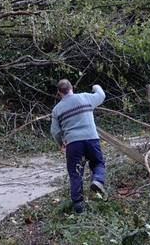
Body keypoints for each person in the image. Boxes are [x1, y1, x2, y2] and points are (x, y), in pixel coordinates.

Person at [50, 79, 107, 214]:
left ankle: (78, 206)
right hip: (92, 139)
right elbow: (102, 96)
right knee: (98, 162)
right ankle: (98, 180)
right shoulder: (85, 97)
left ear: (59, 93)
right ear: (72, 88)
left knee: (75, 173)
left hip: (73, 143)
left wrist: (61, 144)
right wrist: (96, 86)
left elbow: (55, 131)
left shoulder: (57, 109)